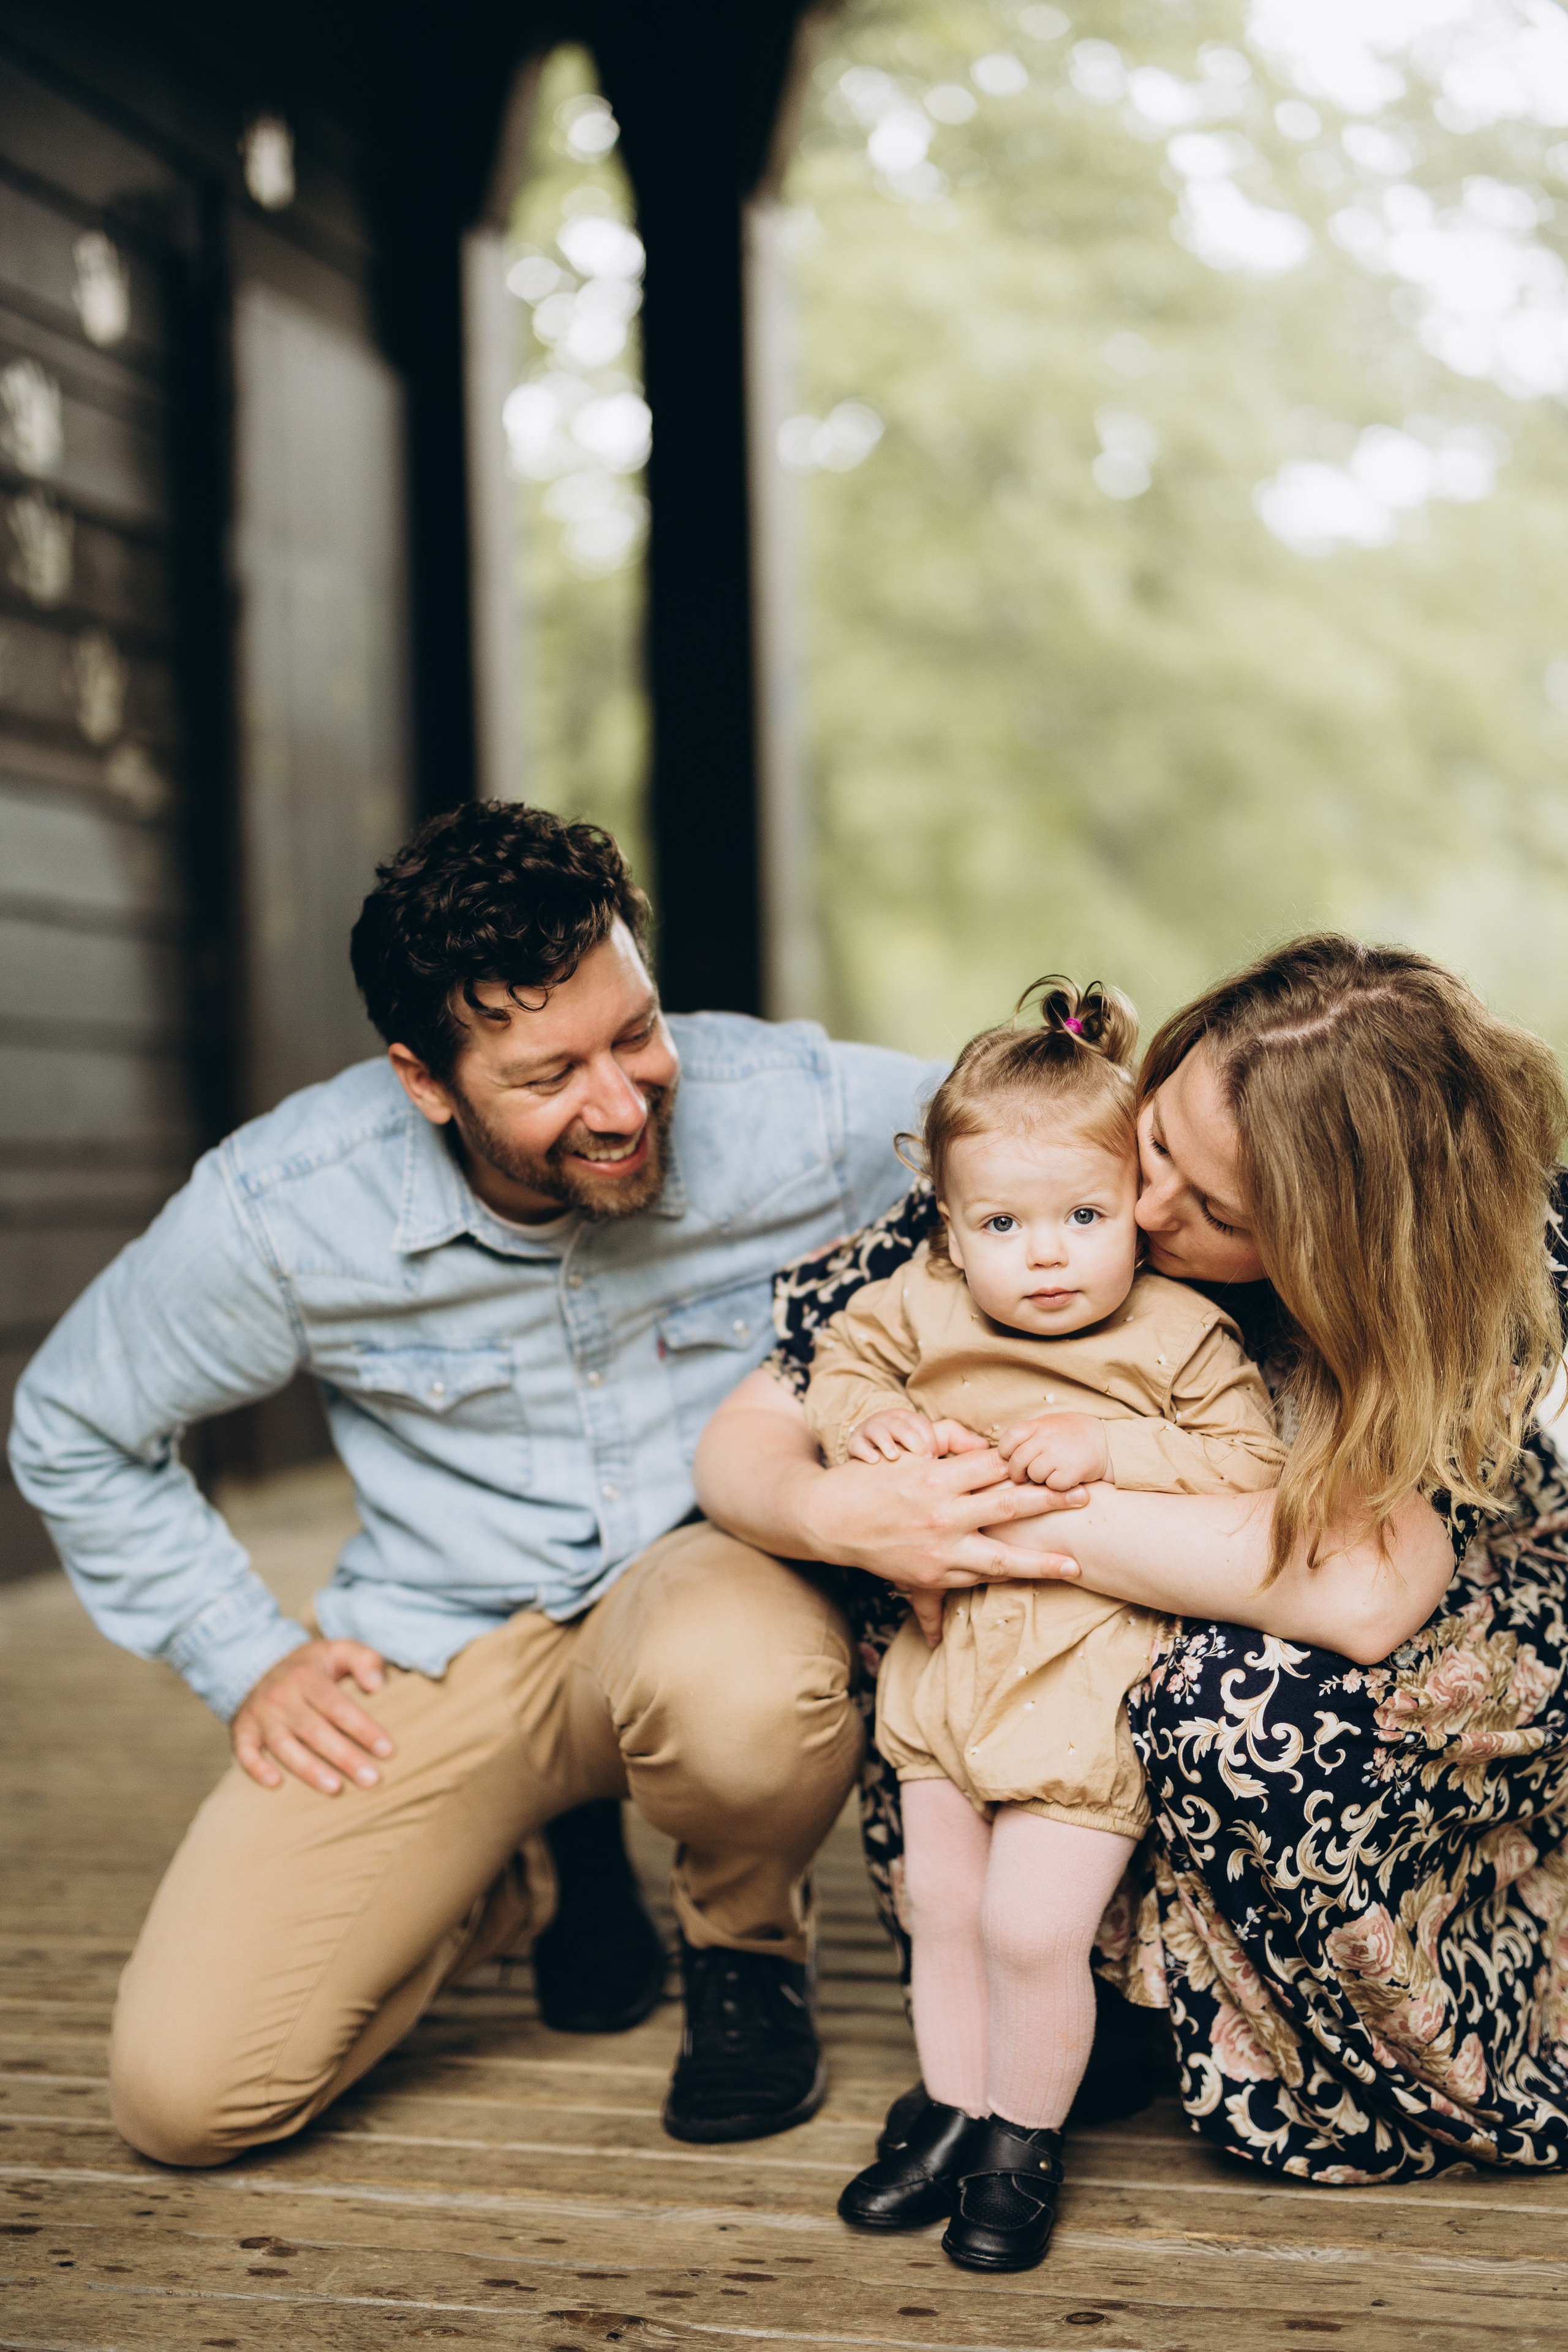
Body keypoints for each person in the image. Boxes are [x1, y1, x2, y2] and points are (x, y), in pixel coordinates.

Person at [7, 798, 1004, 2166]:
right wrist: (242, 1655)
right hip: (444, 1632)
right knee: (187, 2100)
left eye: (635, 1033)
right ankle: (515, 1880)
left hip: (702, 1589)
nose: (621, 1101)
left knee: (741, 1690)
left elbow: (1066, 1148)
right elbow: (72, 1424)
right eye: (548, 1077)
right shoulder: (286, 1206)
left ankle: (741, 1945)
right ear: (425, 1080)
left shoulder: (806, 1110)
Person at [695, 934, 1568, 2188]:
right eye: (1158, 1143)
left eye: (1217, 1214)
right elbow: (758, 1421)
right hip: (1100, 1604)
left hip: (1444, 1623)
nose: (1147, 1213)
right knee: (932, 1609)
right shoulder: (1055, 1169)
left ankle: (1277, 2039)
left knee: (1230, 1692)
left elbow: (1364, 1589)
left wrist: (997, 1520)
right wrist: (842, 1514)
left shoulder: (1447, 1276)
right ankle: (1048, 2015)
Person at [805, 976, 1282, 2269]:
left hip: (1078, 1680)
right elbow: (838, 1365)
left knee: (1030, 1928)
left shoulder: (1178, 1334)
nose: (1050, 1253)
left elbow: (1246, 1463)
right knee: (942, 1913)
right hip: (944, 1662)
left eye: (1084, 1214)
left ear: (1131, 1202)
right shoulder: (921, 1305)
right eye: (1004, 1224)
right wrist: (869, 1426)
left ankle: (1023, 2139)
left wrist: (1109, 1444)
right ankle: (956, 2114)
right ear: (951, 1232)